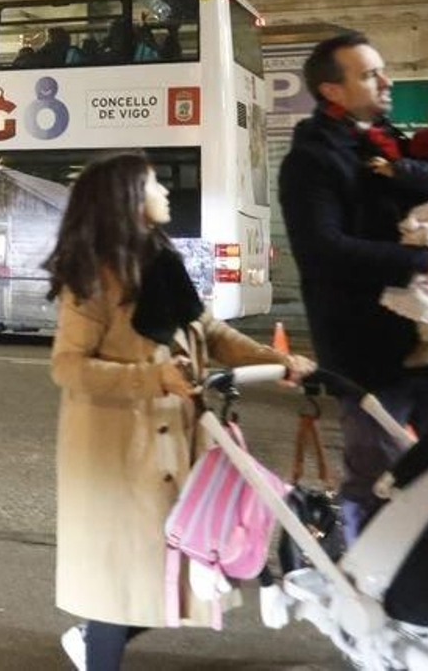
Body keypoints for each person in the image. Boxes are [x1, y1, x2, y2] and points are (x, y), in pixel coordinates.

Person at [48, 152, 311, 670]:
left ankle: (89, 643)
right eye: (153, 185)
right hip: (118, 455)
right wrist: (152, 376)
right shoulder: (94, 279)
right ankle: (95, 650)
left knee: (181, 563)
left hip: (174, 445)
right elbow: (68, 367)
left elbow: (210, 331)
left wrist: (280, 362)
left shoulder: (162, 261)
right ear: (126, 200)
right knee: (123, 583)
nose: (165, 192)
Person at [279, 32, 428, 537]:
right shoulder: (312, 160)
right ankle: (366, 592)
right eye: (370, 74)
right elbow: (323, 250)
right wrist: (421, 259)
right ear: (333, 90)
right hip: (367, 352)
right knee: (377, 478)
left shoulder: (390, 145)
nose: (386, 81)